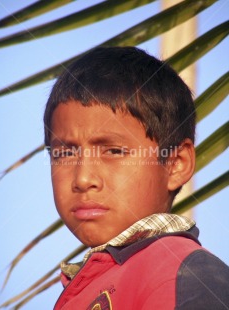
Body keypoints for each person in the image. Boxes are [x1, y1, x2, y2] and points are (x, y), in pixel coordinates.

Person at [44, 46, 229, 309]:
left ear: (176, 165)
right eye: (64, 153)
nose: (83, 179)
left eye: (114, 151)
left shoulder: (187, 276)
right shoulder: (83, 286)